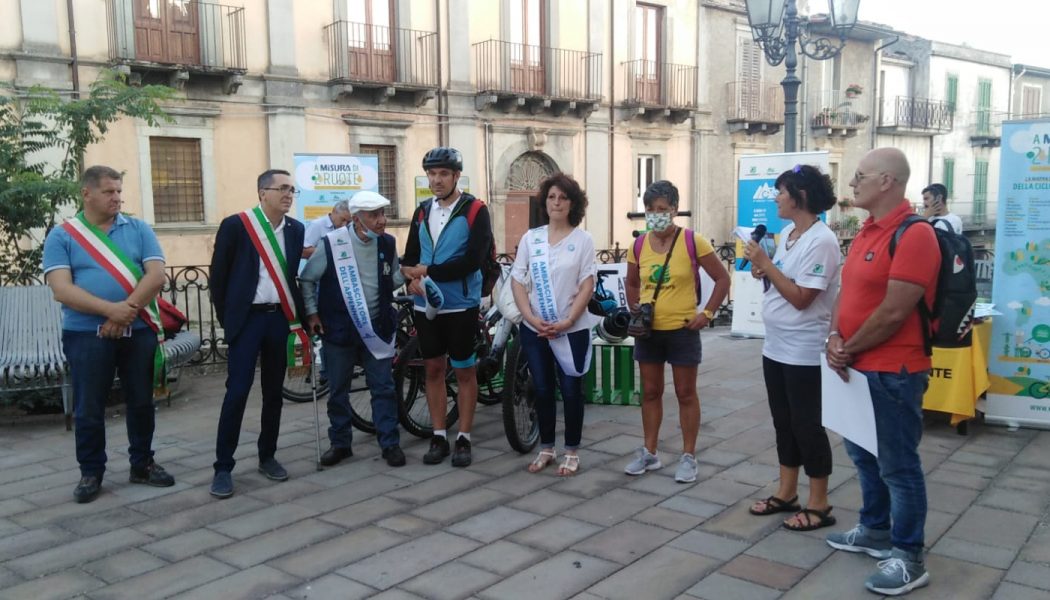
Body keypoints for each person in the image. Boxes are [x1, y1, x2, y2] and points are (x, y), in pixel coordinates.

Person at [825, 148, 940, 596]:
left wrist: (847, 348)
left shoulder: (915, 235)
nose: (852, 183)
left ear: (888, 181)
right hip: (856, 366)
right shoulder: (868, 231)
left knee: (898, 465)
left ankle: (909, 556)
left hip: (893, 370)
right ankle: (874, 530)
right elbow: (847, 293)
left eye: (860, 176)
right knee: (863, 457)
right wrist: (835, 337)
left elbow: (895, 311)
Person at [42, 165, 176, 503]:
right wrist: (109, 311)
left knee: (142, 400)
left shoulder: (138, 228)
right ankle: (91, 472)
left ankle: (142, 463)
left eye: (119, 191)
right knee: (89, 405)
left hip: (139, 329)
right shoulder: (63, 236)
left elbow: (156, 276)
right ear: (87, 193)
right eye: (109, 191)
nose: (117, 197)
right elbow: (61, 289)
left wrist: (124, 311)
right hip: (86, 334)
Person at [743, 165, 841, 531]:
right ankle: (787, 492)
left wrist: (767, 265)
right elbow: (783, 281)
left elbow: (802, 298)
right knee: (783, 423)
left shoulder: (823, 240)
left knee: (807, 426)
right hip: (776, 346)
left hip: (804, 349)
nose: (776, 198)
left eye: (781, 191)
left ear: (799, 195)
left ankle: (820, 502)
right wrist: (764, 270)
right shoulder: (788, 234)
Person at [209, 169, 308, 498]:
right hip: (247, 320)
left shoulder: (296, 230)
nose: (288, 194)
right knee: (236, 392)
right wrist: (230, 320)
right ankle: (223, 466)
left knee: (273, 393)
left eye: (291, 189)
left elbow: (291, 276)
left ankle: (268, 455)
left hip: (279, 319)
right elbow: (218, 279)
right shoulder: (237, 226)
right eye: (282, 188)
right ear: (262, 192)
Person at [624, 180, 730, 483]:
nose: (655, 215)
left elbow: (722, 279)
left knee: (685, 393)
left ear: (673, 210)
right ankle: (650, 451)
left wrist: (706, 314)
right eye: (650, 209)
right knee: (651, 392)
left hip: (682, 330)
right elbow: (632, 282)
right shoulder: (638, 245)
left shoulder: (692, 241)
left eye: (662, 209)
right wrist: (635, 309)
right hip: (649, 332)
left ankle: (688, 455)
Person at [401, 147, 494, 467]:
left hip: (460, 304)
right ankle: (439, 435)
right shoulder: (422, 211)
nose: (436, 180)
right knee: (433, 369)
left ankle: (464, 438)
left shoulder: (475, 210)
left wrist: (428, 272)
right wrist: (409, 279)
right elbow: (410, 257)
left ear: (456, 176)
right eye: (431, 173)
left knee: (465, 370)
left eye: (443, 174)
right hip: (425, 303)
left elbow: (474, 260)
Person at [299, 191, 406, 468]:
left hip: (377, 329)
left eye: (383, 213)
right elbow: (308, 279)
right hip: (339, 330)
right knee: (338, 390)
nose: (382, 220)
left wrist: (405, 275)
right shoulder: (332, 244)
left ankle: (390, 443)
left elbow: (390, 281)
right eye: (374, 215)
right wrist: (311, 313)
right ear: (357, 219)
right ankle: (340, 443)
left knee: (383, 388)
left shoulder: (388, 243)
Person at [511, 173, 597, 477]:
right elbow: (518, 282)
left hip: (571, 330)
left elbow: (587, 284)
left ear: (572, 203)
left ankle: (571, 450)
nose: (556, 203)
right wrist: (532, 319)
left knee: (572, 390)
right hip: (536, 330)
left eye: (563, 197)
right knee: (543, 388)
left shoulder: (583, 240)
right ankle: (546, 446)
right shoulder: (530, 239)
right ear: (544, 202)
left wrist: (568, 320)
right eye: (551, 197)